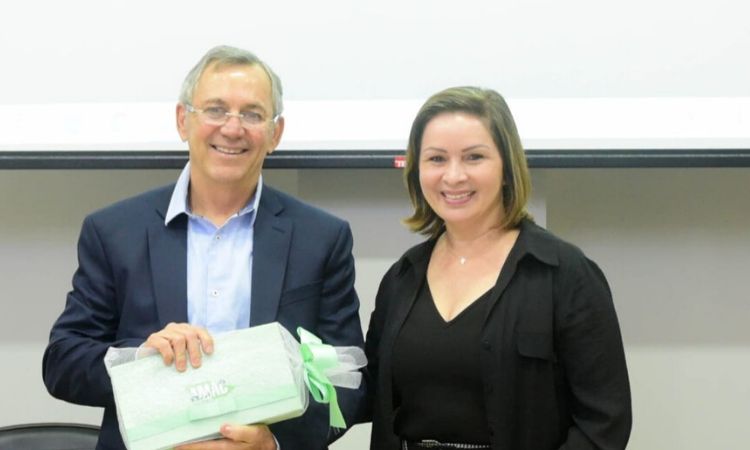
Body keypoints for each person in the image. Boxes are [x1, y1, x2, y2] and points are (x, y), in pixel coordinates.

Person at [42, 45, 365, 450]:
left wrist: (274, 443)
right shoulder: (114, 231)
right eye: (215, 110)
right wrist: (139, 360)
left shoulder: (321, 237)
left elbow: (348, 376)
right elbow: (63, 362)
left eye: (252, 114)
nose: (232, 128)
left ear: (275, 133)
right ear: (183, 120)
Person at [362, 86, 631, 450]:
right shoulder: (401, 278)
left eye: (474, 157)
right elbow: (371, 392)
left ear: (506, 167)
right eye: (436, 159)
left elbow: (604, 423)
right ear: (416, 170)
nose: (453, 176)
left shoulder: (566, 275)